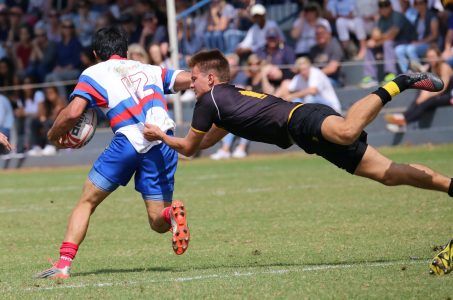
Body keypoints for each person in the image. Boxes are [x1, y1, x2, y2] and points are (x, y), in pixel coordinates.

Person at [143, 50, 453, 274]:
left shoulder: (207, 101)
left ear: (210, 78)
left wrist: (159, 135)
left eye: (193, 78)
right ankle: (451, 187)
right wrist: (176, 143)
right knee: (387, 174)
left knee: (346, 131)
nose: (189, 84)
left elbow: (188, 147)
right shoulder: (227, 100)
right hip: (305, 135)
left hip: (302, 118)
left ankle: (400, 81)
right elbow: (204, 142)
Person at [35, 26, 192, 279]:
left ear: (96, 53)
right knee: (157, 221)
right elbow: (187, 78)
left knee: (87, 202)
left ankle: (63, 265)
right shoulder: (149, 69)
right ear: (126, 51)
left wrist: (53, 135)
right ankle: (171, 213)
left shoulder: (94, 73)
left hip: (128, 142)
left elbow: (74, 112)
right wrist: (205, 80)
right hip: (163, 143)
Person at [385, 45, 453, 132]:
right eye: (429, 57)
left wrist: (426, 96)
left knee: (427, 100)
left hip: (449, 96)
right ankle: (403, 120)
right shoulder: (431, 67)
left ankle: (404, 119)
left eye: (433, 57)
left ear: (438, 56)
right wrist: (423, 94)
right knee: (419, 96)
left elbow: (443, 88)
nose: (431, 59)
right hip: (439, 95)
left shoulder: (444, 67)